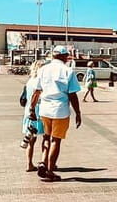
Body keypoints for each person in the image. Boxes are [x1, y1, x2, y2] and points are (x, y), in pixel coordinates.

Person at [29, 46, 82, 182]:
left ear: (53, 56)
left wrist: (31, 109)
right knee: (56, 140)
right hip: (60, 110)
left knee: (46, 137)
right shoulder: (68, 71)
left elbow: (37, 91)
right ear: (64, 57)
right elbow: (72, 94)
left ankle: (42, 161)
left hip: (44, 109)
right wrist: (78, 113)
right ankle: (50, 170)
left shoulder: (43, 69)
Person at [21, 60, 47, 171]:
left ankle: (29, 164)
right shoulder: (43, 81)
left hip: (29, 112)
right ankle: (44, 162)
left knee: (31, 139)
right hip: (41, 112)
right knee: (46, 138)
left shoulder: (29, 81)